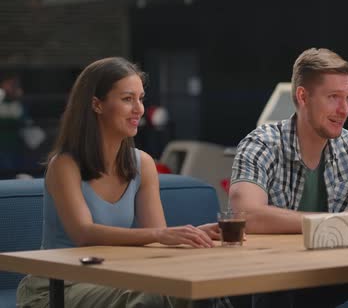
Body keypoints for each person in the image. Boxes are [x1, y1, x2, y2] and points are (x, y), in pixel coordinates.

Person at [16, 57, 232, 308]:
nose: (139, 109)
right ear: (97, 104)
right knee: (156, 295)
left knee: (202, 286)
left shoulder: (143, 164)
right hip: (57, 288)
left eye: (140, 98)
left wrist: (191, 234)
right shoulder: (65, 165)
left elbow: (156, 237)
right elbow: (84, 234)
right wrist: (161, 234)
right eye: (128, 99)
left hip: (112, 277)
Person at [230, 48, 348, 307]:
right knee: (277, 291)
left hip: (324, 273)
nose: (345, 109)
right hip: (269, 275)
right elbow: (245, 215)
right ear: (303, 97)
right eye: (334, 97)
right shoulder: (261, 143)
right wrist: (337, 222)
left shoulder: (346, 143)